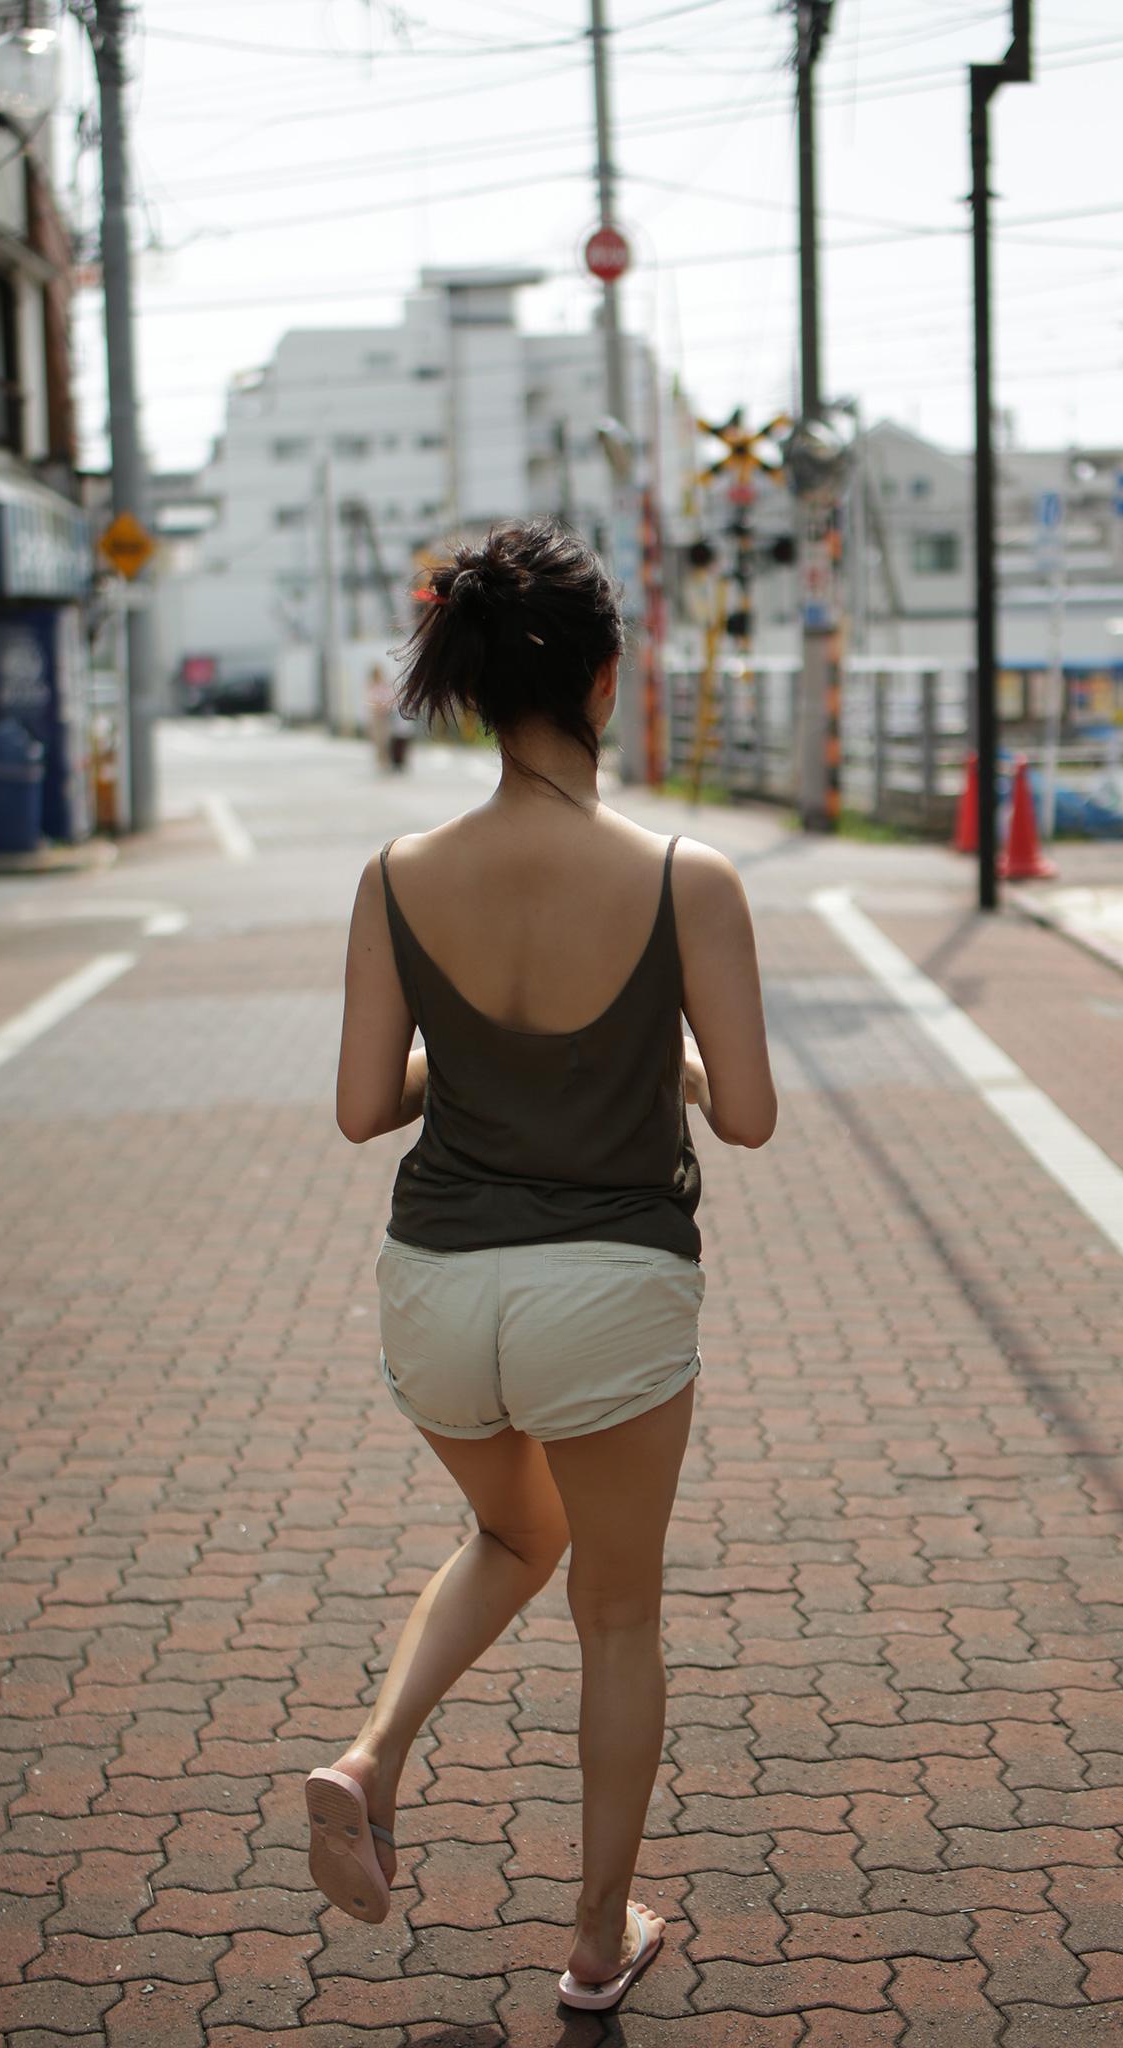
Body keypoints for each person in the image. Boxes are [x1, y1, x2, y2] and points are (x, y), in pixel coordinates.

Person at [310, 517, 777, 2012]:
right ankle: (591, 1940)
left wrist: (481, 1059)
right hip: (607, 1286)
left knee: (515, 1535)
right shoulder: (684, 877)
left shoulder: (394, 874)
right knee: (616, 1616)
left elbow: (360, 1107)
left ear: (467, 684)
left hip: (439, 1288)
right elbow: (753, 1114)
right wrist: (670, 1069)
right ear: (604, 677)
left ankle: (371, 1758)